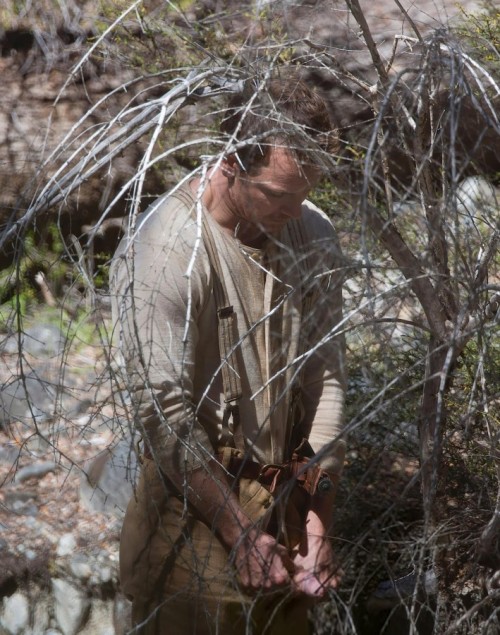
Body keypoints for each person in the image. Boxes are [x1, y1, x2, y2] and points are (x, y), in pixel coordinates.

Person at [110, 69, 347, 635]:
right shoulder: (168, 248)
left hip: (288, 500)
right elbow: (164, 413)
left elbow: (327, 380)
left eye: (305, 193)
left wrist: (318, 527)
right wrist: (239, 534)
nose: (294, 212)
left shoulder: (312, 234)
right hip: (191, 513)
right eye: (278, 195)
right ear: (230, 165)